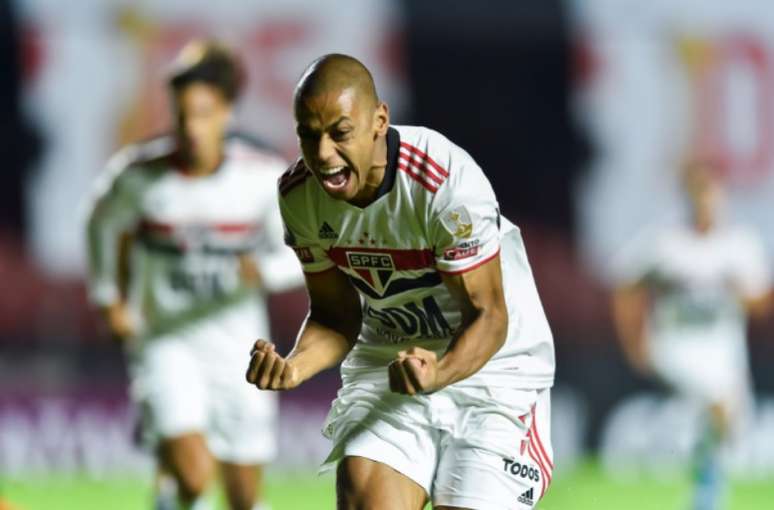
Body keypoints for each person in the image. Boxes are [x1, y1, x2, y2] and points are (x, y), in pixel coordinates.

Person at [245, 54, 556, 510]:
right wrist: (295, 366)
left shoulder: (442, 181)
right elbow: (336, 316)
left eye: (340, 133)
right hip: (392, 362)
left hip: (493, 374)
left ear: (379, 120)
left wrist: (440, 372)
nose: (323, 154)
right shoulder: (299, 196)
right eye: (308, 136)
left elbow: (488, 316)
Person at [86, 40, 303, 510]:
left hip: (240, 350)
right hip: (166, 341)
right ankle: (177, 490)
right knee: (194, 473)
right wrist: (109, 297)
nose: (191, 127)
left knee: (244, 496)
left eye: (203, 114)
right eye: (182, 114)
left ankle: (169, 501)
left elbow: (305, 256)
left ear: (226, 113)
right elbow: (100, 222)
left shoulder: (262, 178)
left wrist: (262, 270)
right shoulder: (139, 176)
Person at [611, 161, 772, 510]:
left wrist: (744, 292)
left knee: (730, 431)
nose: (706, 201)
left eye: (712, 192)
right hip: (676, 345)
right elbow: (625, 287)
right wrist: (635, 343)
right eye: (699, 193)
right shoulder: (666, 244)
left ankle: (704, 490)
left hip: (724, 349)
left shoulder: (740, 245)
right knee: (720, 405)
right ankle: (706, 493)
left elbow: (761, 302)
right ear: (688, 197)